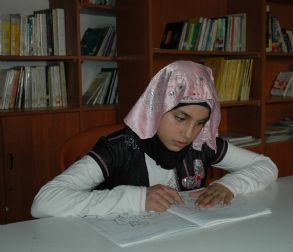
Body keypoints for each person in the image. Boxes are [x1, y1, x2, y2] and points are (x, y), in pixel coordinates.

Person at [31, 60, 278, 218]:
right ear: (156, 109)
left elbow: (267, 166)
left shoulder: (201, 142)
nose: (189, 133)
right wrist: (137, 198)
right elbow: (44, 202)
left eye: (200, 122)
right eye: (180, 118)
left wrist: (229, 185)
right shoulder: (119, 147)